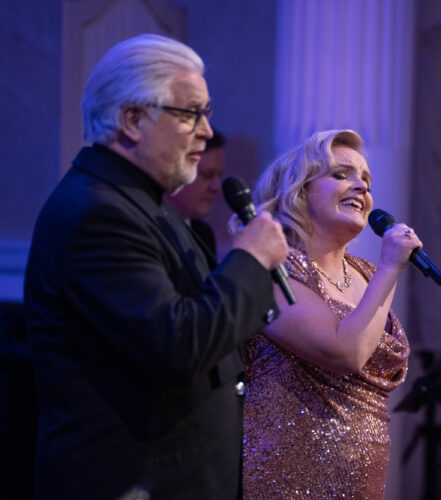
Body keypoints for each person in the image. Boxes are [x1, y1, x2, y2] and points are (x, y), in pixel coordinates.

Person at [23, 34, 288, 500]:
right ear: (132, 120)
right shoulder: (96, 214)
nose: (206, 131)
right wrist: (250, 259)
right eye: (190, 114)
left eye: (205, 114)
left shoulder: (145, 204)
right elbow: (178, 342)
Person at [240, 129, 421, 499]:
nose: (361, 188)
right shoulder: (272, 269)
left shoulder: (367, 274)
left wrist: (383, 271)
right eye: (341, 175)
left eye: (366, 180)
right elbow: (346, 353)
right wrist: (391, 269)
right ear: (299, 191)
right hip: (286, 480)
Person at [165, 129, 226, 256]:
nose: (216, 187)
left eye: (219, 176)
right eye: (207, 175)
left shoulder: (203, 234)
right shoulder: (146, 229)